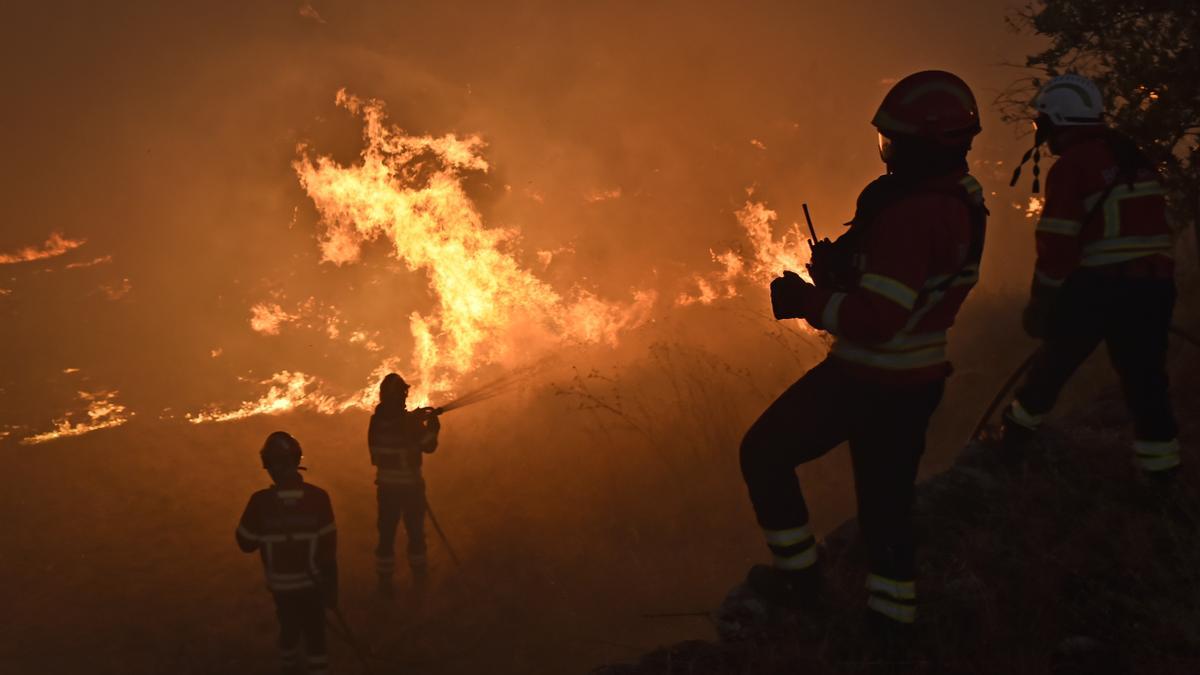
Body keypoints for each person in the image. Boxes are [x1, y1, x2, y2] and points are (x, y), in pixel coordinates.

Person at [740, 70, 987, 634]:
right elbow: (910, 287)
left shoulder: (910, 213)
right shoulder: (960, 198)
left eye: (895, 142)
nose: (888, 154)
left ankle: (802, 584)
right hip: (914, 377)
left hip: (872, 380)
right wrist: (846, 273)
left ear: (925, 144)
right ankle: (892, 623)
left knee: (764, 453)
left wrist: (808, 300)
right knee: (886, 505)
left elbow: (877, 320)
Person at [999, 74, 1180, 480]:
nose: (1041, 134)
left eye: (1043, 124)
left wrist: (1042, 301)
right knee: (1147, 381)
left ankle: (1011, 446)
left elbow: (1057, 245)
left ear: (1059, 121)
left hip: (1101, 287)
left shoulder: (1073, 167)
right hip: (1154, 287)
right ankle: (1161, 473)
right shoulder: (1132, 155)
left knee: (1052, 368)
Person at [237, 431, 338, 675]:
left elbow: (245, 543)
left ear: (268, 466)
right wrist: (332, 590)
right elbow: (328, 549)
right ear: (296, 460)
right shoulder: (318, 498)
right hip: (312, 584)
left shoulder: (259, 502)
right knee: (316, 636)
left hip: (281, 587)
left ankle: (288, 667)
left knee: (289, 630)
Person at [369, 373, 441, 594]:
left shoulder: (377, 421)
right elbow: (428, 446)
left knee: (387, 536)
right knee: (416, 535)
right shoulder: (409, 422)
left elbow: (383, 444)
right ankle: (420, 581)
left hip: (387, 489)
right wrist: (432, 427)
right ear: (400, 395)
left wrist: (414, 419)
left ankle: (385, 583)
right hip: (410, 489)